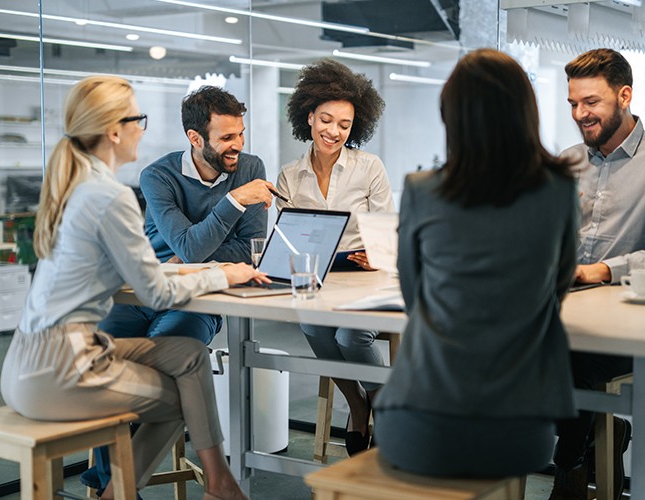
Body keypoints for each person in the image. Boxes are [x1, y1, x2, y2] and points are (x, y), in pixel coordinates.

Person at [0, 75, 268, 500]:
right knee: (183, 397)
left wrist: (191, 266)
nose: (143, 128)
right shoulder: (109, 195)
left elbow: (149, 274)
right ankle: (119, 494)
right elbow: (155, 293)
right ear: (113, 131)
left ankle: (219, 484)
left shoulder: (77, 186)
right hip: (58, 369)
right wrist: (223, 273)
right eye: (138, 119)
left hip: (31, 357)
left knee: (190, 355)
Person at [372, 48, 578, 477]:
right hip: (524, 435)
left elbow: (415, 298)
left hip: (421, 429)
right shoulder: (559, 189)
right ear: (526, 113)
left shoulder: (423, 190)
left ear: (453, 117)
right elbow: (556, 290)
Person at [83, 85, 276, 492]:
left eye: (240, 134)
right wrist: (235, 203)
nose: (237, 145)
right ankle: (114, 482)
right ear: (195, 138)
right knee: (105, 360)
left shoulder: (250, 167)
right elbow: (191, 247)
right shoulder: (158, 175)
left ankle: (114, 485)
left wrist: (192, 252)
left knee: (166, 357)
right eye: (226, 137)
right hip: (139, 296)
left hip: (201, 299)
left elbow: (249, 249)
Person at [553, 48, 645, 500]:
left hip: (627, 327)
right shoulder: (568, 161)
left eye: (591, 102)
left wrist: (602, 270)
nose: (580, 114)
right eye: (574, 103)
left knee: (562, 363)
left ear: (625, 95)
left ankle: (568, 467)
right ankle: (602, 432)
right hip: (562, 313)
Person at [275, 58, 393, 455]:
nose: (334, 132)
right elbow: (287, 238)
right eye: (326, 120)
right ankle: (359, 404)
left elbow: (388, 229)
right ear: (308, 117)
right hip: (318, 277)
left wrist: (376, 256)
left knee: (350, 335)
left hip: (365, 273)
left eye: (344, 125)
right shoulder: (290, 176)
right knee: (313, 328)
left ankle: (384, 405)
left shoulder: (369, 166)